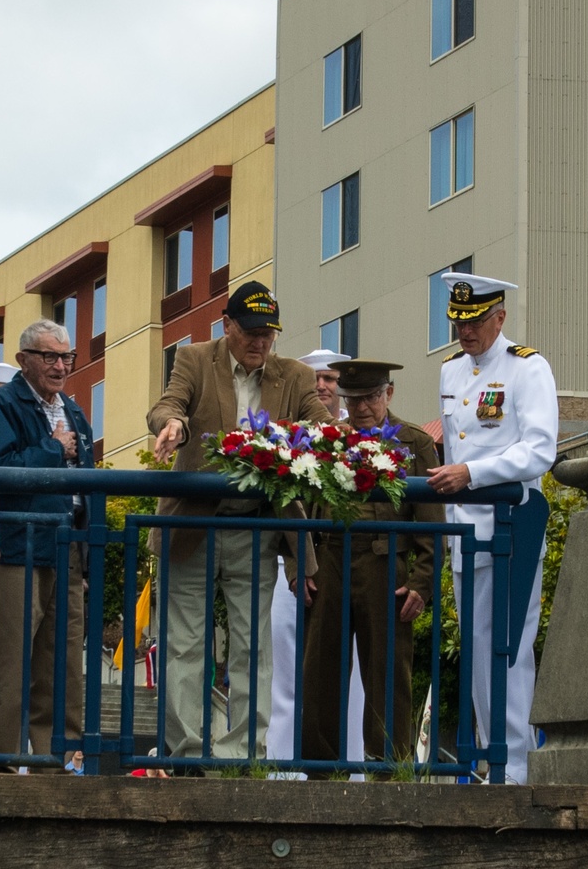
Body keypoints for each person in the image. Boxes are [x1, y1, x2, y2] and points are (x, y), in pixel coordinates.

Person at [147, 282, 331, 765]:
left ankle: (242, 757)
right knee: (184, 645)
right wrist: (174, 425)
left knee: (254, 649)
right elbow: (170, 404)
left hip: (257, 530)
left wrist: (332, 438)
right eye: (250, 331)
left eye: (268, 332)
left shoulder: (295, 375)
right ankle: (187, 755)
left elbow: (318, 423)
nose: (260, 341)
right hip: (193, 526)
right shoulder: (193, 359)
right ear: (226, 325)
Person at [426, 272, 558, 784]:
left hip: (510, 528)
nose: (466, 332)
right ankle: (488, 762)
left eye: (476, 321)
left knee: (508, 651)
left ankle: (516, 769)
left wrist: (473, 474)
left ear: (499, 317)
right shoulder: (451, 372)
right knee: (478, 652)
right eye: (458, 322)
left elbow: (539, 448)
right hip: (467, 534)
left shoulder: (527, 368)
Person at [301, 361, 443, 769]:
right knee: (320, 674)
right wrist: (298, 566)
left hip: (386, 565)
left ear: (389, 394)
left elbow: (432, 523)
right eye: (353, 399)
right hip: (327, 559)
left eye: (370, 398)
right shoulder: (326, 441)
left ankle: (389, 773)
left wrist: (422, 581)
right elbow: (298, 505)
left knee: (388, 677)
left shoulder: (414, 442)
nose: (361, 408)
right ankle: (321, 774)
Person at [0, 319, 94, 770]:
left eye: (66, 357)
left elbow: (85, 483)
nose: (60, 366)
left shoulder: (75, 409)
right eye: (49, 356)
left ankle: (58, 759)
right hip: (20, 543)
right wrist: (52, 448)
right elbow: (1, 467)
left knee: (63, 659)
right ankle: (2, 762)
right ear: (25, 359)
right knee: (13, 659)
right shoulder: (2, 403)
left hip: (66, 544)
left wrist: (84, 558)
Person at [265, 349, 366, 774]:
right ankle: (284, 769)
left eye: (329, 379)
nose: (322, 386)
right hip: (291, 572)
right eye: (315, 379)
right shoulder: (284, 439)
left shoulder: (358, 440)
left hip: (346, 573)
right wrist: (295, 568)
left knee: (352, 679)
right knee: (287, 674)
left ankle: (352, 767)